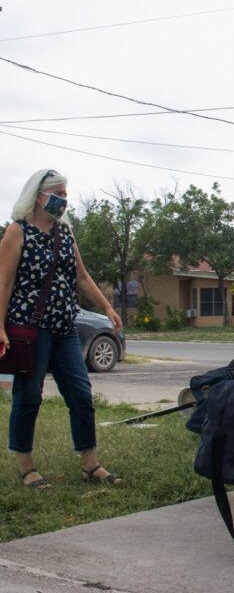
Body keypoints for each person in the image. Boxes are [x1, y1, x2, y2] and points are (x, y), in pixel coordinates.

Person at [0, 169, 124, 489]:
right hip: (30, 329)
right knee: (29, 396)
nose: (63, 201)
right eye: (58, 195)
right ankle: (27, 468)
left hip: (65, 327)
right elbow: (4, 281)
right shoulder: (17, 231)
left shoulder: (64, 233)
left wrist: (107, 307)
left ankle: (90, 465)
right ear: (38, 196)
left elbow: (81, 277)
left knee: (81, 394)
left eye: (66, 196)